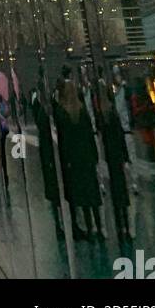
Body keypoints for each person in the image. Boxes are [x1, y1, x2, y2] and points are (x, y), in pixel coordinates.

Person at [54, 78, 102, 240]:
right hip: (86, 157)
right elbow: (89, 135)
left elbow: (64, 140)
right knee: (92, 193)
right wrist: (94, 156)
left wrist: (65, 160)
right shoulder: (82, 111)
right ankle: (99, 228)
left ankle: (89, 228)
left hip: (74, 161)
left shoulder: (64, 113)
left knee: (82, 194)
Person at [96, 84, 131, 240]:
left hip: (111, 156)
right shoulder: (113, 115)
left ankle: (120, 224)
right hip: (116, 156)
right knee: (121, 187)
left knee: (117, 189)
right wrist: (125, 156)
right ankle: (126, 225)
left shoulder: (105, 116)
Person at [30, 80, 64, 237]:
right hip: (50, 155)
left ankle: (61, 222)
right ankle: (60, 223)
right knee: (55, 189)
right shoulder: (44, 111)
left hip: (52, 154)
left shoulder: (49, 110)